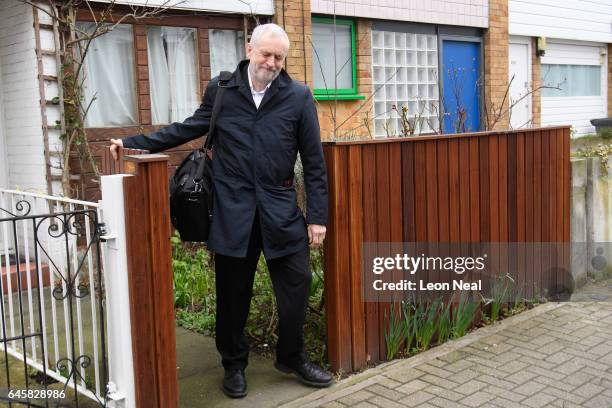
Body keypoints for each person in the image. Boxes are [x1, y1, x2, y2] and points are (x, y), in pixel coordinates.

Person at [109, 23, 332, 398]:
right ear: (250, 49)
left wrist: (319, 218)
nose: (272, 62)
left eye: (279, 57)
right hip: (233, 213)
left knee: (297, 285)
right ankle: (234, 365)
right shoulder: (224, 90)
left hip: (280, 212)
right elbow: (189, 127)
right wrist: (134, 143)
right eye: (266, 54)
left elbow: (313, 162)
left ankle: (291, 356)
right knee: (232, 296)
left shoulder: (297, 96)